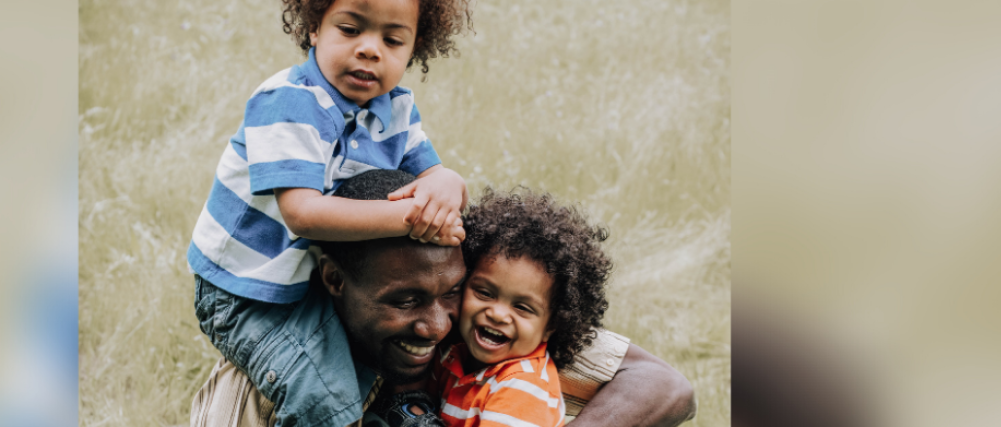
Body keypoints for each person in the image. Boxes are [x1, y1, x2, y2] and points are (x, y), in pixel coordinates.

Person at [191, 170, 698, 427]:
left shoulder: (490, 325)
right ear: (334, 281)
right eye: (405, 301)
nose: (436, 325)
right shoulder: (273, 376)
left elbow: (664, 386)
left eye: (452, 292)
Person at [186, 0, 474, 425]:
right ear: (315, 28)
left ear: (414, 49)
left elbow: (430, 175)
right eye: (350, 29)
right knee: (323, 397)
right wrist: (413, 218)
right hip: (248, 290)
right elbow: (304, 214)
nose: (370, 49)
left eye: (392, 40)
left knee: (362, 371)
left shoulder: (394, 108)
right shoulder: (290, 102)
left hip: (311, 276)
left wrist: (448, 180)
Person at [376, 188, 613, 427]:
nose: (498, 314)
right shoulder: (455, 354)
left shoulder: (522, 387)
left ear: (552, 325)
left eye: (522, 307)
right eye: (484, 293)